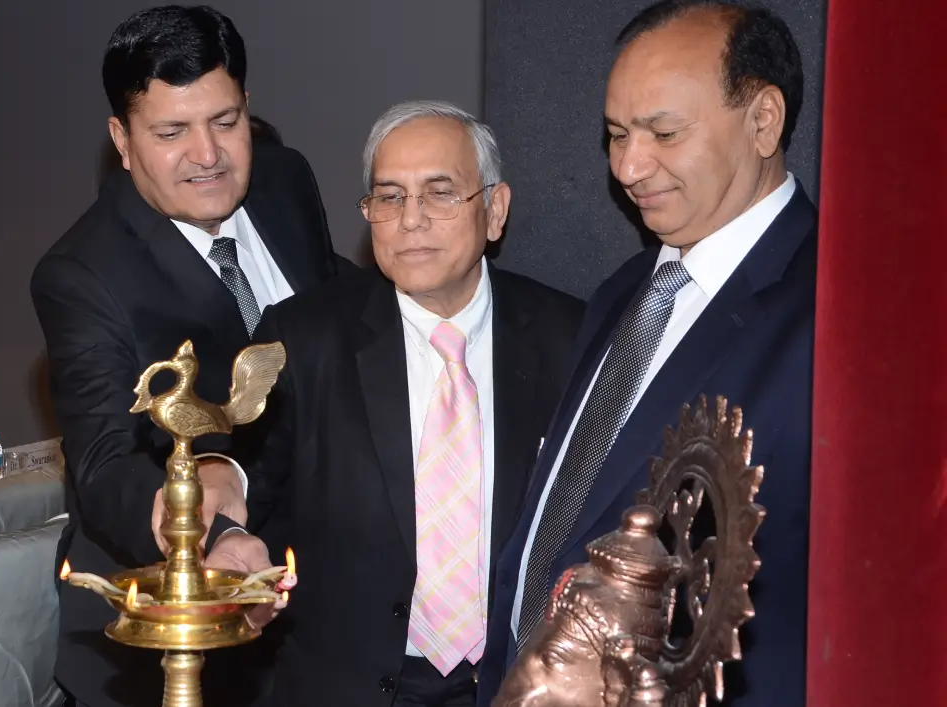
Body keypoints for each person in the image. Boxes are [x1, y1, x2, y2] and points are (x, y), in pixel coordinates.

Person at [193, 100, 583, 706]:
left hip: (521, 682)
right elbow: (244, 471)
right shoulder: (302, 339)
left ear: (495, 209)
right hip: (352, 684)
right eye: (390, 197)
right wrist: (226, 532)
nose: (411, 220)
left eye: (440, 193)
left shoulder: (572, 338)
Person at [479, 3, 814, 705]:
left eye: (664, 133)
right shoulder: (625, 289)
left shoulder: (839, 310)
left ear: (763, 120)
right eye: (616, 135)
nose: (629, 167)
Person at [30, 6, 345, 706]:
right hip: (168, 639)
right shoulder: (82, 273)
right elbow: (106, 464)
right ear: (122, 139)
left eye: (225, 122)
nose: (208, 155)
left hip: (316, 625)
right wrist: (214, 535)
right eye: (172, 132)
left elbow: (332, 315)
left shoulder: (285, 181)